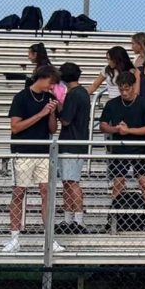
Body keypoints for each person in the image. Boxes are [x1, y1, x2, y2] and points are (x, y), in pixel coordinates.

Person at [3, 65, 62, 253]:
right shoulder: (21, 97)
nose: (51, 87)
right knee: (19, 192)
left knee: (46, 192)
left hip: (44, 152)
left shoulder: (50, 98)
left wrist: (51, 113)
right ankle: (14, 238)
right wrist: (41, 114)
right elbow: (16, 127)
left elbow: (53, 129)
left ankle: (49, 238)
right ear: (43, 78)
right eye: (51, 83)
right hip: (23, 151)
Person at [98, 71, 145, 228]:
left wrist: (129, 131)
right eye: (121, 89)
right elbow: (102, 125)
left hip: (140, 148)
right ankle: (113, 218)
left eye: (127, 88)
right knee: (118, 182)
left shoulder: (144, 103)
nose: (124, 92)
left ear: (133, 87)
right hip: (119, 148)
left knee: (144, 183)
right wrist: (116, 129)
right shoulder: (112, 104)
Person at [56, 63, 90, 234]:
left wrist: (56, 108)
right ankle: (69, 218)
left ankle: (78, 219)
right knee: (67, 182)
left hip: (72, 142)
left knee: (72, 182)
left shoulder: (74, 94)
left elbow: (66, 120)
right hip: (77, 141)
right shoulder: (82, 92)